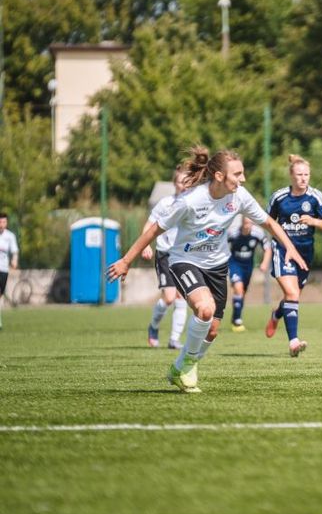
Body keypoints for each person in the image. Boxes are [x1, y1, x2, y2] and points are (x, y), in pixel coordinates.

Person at [107, 147, 307, 393]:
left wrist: (290, 247)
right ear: (220, 176)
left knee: (212, 330)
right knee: (205, 309)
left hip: (217, 266)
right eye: (238, 174)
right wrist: (126, 260)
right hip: (184, 261)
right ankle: (188, 367)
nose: (243, 179)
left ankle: (180, 367)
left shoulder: (239, 196)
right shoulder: (191, 201)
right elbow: (153, 231)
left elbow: (268, 223)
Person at [264, 155, 322, 357]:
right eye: (299, 175)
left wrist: (314, 221)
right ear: (291, 175)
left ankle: (277, 314)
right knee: (292, 294)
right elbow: (268, 222)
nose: (303, 178)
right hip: (282, 251)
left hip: (305, 253)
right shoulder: (279, 197)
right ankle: (294, 342)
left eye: (306, 175)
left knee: (292, 296)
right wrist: (273, 246)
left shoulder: (316, 197)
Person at [140, 168, 192, 349]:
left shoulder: (193, 204)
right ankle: (153, 326)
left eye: (187, 182)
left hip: (184, 255)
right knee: (169, 298)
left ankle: (174, 339)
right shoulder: (165, 203)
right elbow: (149, 225)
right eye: (181, 182)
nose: (184, 186)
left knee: (181, 297)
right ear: (174, 184)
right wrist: (145, 245)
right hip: (165, 254)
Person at [227, 216, 271, 332]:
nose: (247, 226)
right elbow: (221, 245)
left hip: (248, 266)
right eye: (246, 223)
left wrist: (265, 263)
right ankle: (237, 320)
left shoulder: (258, 233)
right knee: (238, 289)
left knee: (242, 293)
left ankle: (235, 316)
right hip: (234, 263)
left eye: (250, 223)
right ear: (242, 223)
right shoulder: (233, 233)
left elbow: (267, 248)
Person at [0, 211, 19, 331]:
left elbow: (14, 251)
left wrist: (14, 260)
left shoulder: (10, 236)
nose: (2, 224)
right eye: (0, 222)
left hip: (4, 269)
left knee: (1, 294)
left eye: (4, 222)